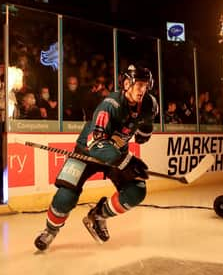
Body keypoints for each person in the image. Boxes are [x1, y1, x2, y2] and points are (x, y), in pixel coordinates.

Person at [34, 65, 159, 251]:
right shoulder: (109, 105)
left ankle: (98, 215)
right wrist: (126, 162)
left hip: (116, 153)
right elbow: (96, 143)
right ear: (126, 84)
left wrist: (144, 133)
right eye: (139, 84)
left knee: (136, 191)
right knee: (65, 197)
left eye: (145, 85)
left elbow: (147, 120)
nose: (143, 89)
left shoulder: (149, 103)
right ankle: (50, 231)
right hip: (87, 152)